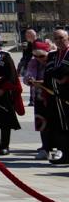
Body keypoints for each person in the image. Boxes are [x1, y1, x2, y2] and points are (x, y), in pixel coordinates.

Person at [41, 28, 69, 166]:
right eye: (56, 38)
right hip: (53, 98)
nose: (59, 41)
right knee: (55, 128)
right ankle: (58, 156)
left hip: (67, 97)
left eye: (61, 38)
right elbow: (48, 74)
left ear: (67, 38)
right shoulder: (52, 55)